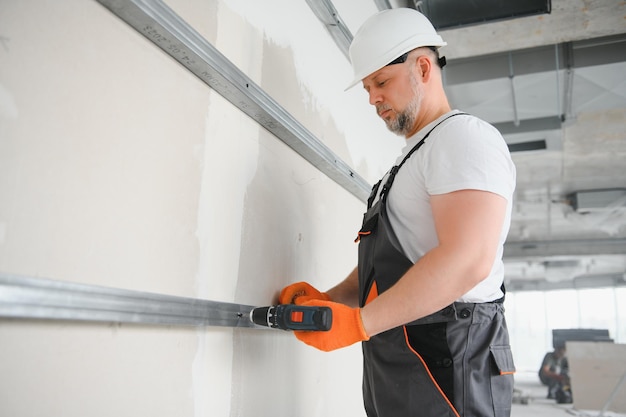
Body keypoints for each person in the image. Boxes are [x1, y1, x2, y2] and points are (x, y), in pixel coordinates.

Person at [278, 8, 517, 417]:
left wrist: (360, 324)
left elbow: (468, 259)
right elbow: (397, 258)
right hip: (408, 354)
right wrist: (333, 301)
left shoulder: (463, 139)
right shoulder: (413, 158)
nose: (372, 98)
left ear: (422, 68)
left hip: (451, 358)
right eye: (368, 87)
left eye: (381, 82)